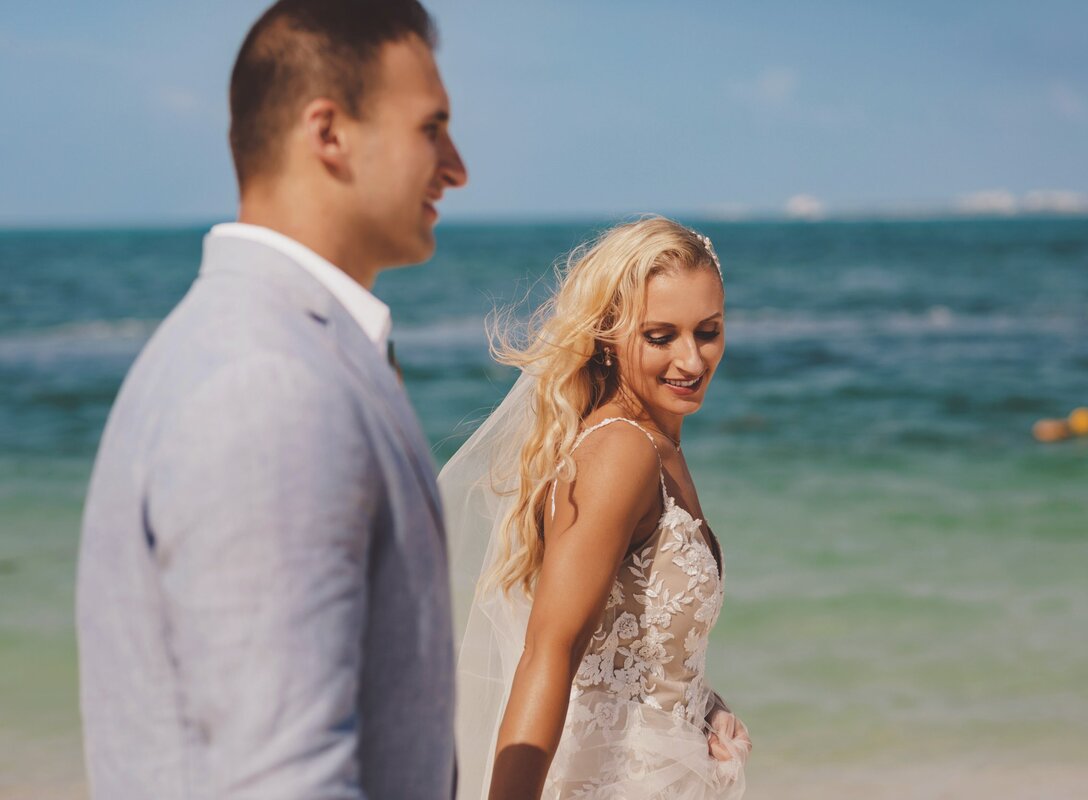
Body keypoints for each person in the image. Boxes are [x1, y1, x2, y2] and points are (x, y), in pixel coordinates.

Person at [75, 1, 466, 797]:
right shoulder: (266, 383)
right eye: (432, 128)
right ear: (329, 133)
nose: (457, 166)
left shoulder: (265, 345)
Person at [440, 217, 751, 800]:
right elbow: (549, 652)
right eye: (661, 337)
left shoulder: (655, 445)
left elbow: (627, 655)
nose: (692, 360)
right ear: (607, 337)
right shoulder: (620, 452)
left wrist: (702, 707)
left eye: (707, 331)